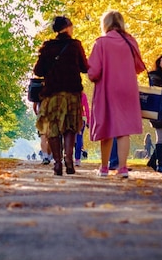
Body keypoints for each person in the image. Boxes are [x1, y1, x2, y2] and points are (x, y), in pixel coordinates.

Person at [88, 10, 144, 178]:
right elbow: (139, 67)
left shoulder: (101, 43)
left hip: (107, 88)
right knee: (123, 129)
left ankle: (104, 168)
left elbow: (94, 72)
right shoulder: (131, 41)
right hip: (127, 88)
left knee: (106, 127)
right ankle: (123, 168)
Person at [34, 16, 89, 176]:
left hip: (52, 94)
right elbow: (85, 68)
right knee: (71, 127)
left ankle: (57, 163)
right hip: (71, 93)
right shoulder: (75, 45)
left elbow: (38, 71)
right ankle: (69, 159)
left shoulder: (47, 47)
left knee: (53, 128)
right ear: (67, 27)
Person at [74, 91, 90, 166]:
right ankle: (77, 159)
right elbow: (86, 108)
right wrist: (88, 121)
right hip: (81, 118)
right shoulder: (82, 94)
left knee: (69, 137)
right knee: (79, 138)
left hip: (71, 118)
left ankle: (67, 156)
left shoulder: (69, 93)